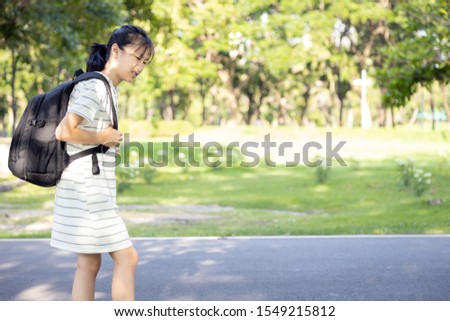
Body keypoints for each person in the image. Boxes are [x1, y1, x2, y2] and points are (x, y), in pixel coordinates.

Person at [51, 25, 155, 301]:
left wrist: (104, 143)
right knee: (128, 258)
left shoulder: (105, 87)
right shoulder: (95, 86)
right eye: (137, 58)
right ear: (116, 51)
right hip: (88, 192)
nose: (140, 67)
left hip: (85, 187)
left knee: (89, 264)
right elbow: (63, 131)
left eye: (145, 62)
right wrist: (103, 137)